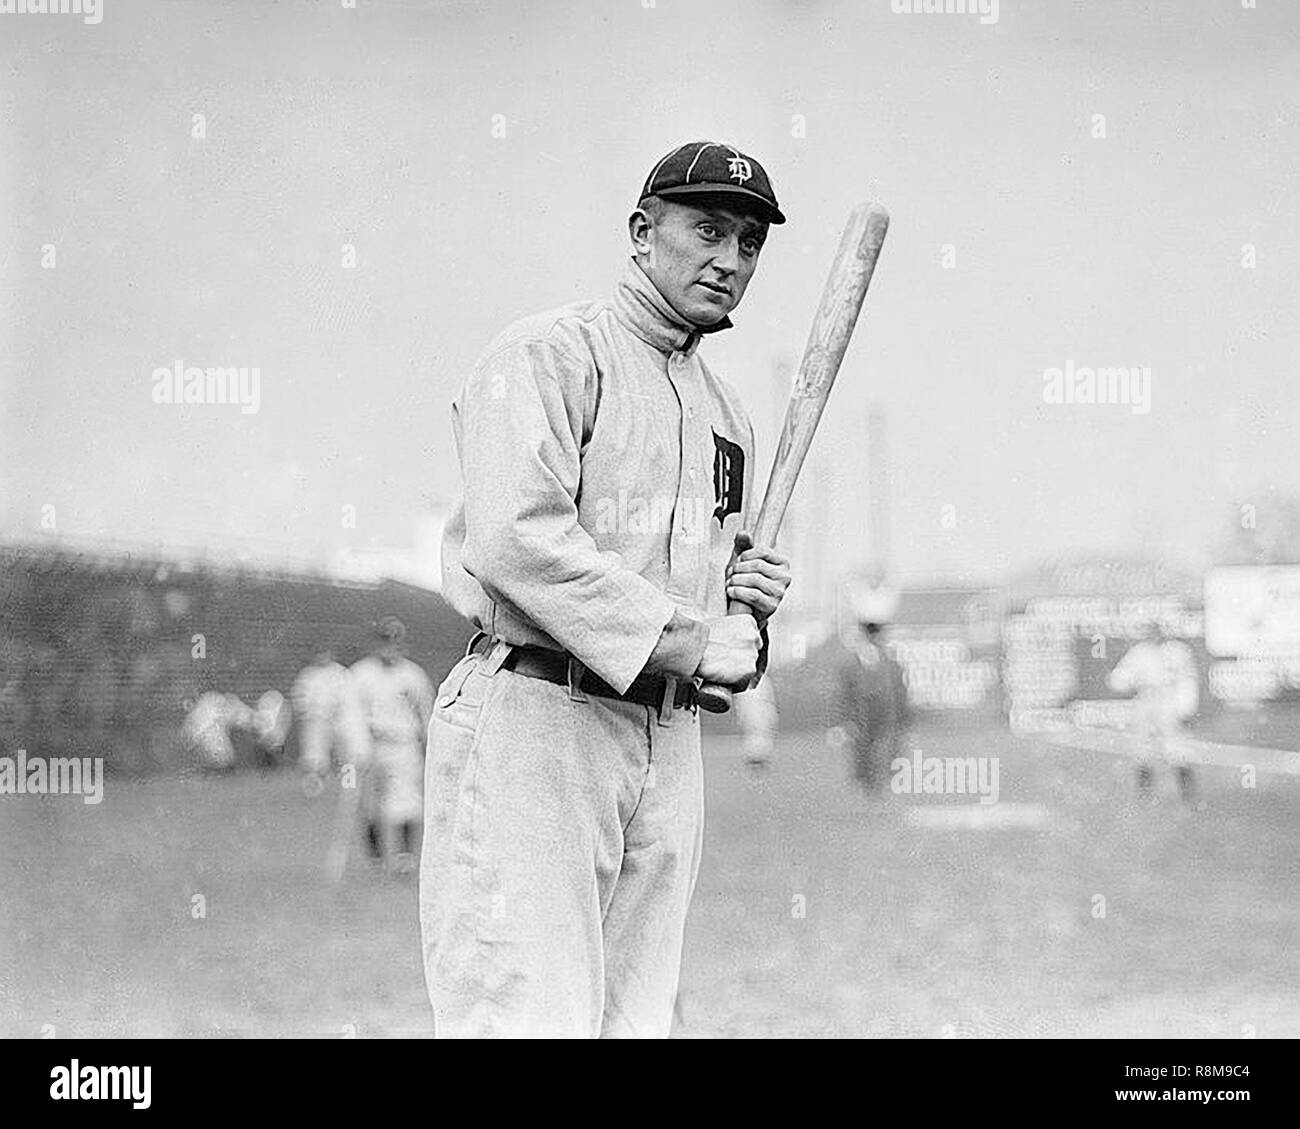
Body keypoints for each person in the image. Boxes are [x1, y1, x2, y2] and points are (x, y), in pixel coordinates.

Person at [422, 141, 793, 1038]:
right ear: (641, 232)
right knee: (526, 1017)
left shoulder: (730, 414)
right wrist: (690, 636)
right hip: (537, 712)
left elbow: (712, 623)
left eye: (748, 242)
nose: (729, 260)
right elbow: (517, 539)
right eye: (708, 230)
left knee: (637, 1022)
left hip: (667, 739)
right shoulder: (549, 355)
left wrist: (747, 609)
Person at [350, 617, 434, 873]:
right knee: (367, 802)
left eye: (396, 640)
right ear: (376, 642)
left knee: (407, 800)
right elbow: (350, 715)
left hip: (404, 745)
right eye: (385, 640)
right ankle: (376, 858)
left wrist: (428, 745)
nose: (390, 646)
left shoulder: (413, 675)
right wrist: (358, 748)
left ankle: (404, 858)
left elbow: (425, 713)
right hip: (369, 746)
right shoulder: (360, 674)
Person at [1106, 621, 1199, 802]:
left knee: (1176, 745)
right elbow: (1122, 676)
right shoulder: (1140, 652)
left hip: (1168, 700)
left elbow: (1187, 679)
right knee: (1142, 745)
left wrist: (1185, 706)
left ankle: (1187, 792)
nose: (1154, 635)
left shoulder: (1177, 650)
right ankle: (1144, 792)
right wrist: (1119, 680)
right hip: (1146, 698)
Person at [834, 619, 910, 790]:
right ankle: (867, 783)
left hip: (885, 714)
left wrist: (902, 714)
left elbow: (898, 689)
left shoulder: (889, 659)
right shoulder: (855, 660)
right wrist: (846, 719)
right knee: (863, 751)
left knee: (884, 751)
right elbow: (847, 692)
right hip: (863, 715)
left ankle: (879, 783)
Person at [290, 649, 350, 793]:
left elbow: (349, 697)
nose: (322, 657)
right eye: (319, 654)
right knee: (315, 755)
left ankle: (350, 783)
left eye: (325, 653)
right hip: (316, 721)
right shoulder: (307, 675)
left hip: (340, 719)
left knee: (347, 752)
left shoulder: (341, 673)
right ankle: (314, 785)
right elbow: (299, 698)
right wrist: (307, 712)